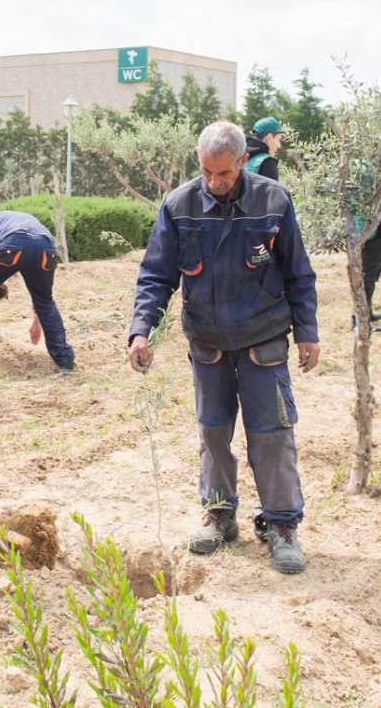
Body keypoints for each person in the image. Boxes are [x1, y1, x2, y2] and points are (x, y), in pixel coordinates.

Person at [129, 121, 320, 575]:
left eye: (224, 174)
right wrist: (141, 329)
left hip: (264, 341)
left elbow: (298, 272)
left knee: (272, 435)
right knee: (213, 432)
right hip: (208, 344)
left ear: (241, 163)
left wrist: (308, 331)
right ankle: (219, 513)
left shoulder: (274, 200)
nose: (214, 183)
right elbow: (156, 275)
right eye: (206, 173)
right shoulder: (179, 205)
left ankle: (281, 525)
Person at [0, 210, 76, 370]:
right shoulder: (21, 219)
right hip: (46, 248)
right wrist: (36, 320)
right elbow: (40, 296)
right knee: (45, 299)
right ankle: (65, 360)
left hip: (16, 243)